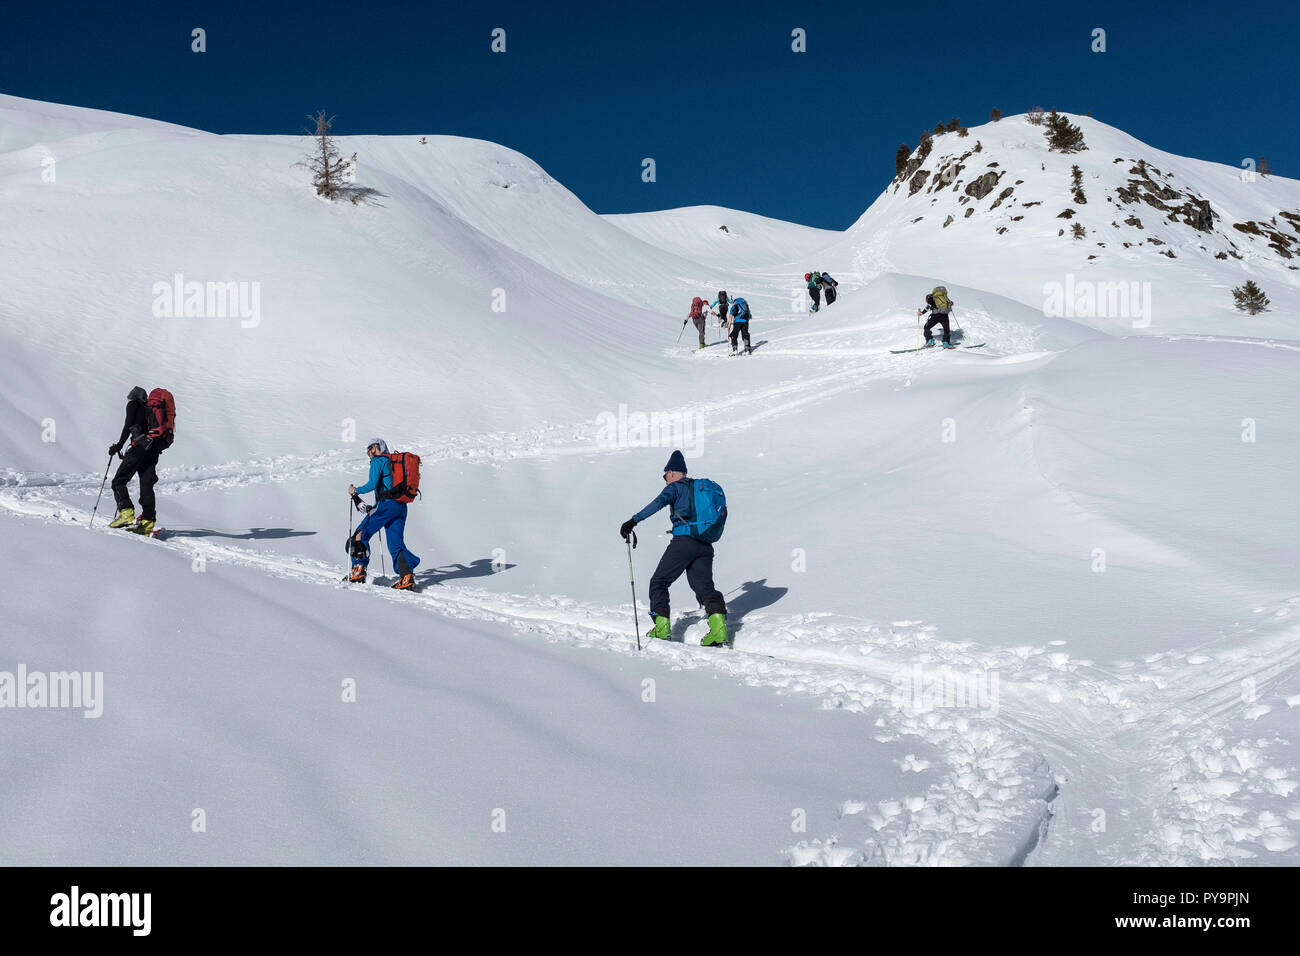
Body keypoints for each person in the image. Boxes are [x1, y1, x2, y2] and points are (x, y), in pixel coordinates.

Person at [619, 450, 728, 647]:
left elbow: (657, 503)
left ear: (671, 472)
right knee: (705, 588)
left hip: (684, 542)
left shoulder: (675, 488)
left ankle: (661, 628)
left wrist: (633, 521)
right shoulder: (699, 488)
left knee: (659, 581)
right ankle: (718, 629)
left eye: (664, 476)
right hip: (705, 544)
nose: (665, 480)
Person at [347, 438, 421, 589]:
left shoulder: (378, 461)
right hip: (400, 506)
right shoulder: (391, 462)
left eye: (369, 448)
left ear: (376, 447)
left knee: (360, 534)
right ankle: (406, 576)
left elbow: (372, 484)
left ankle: (358, 569)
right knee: (395, 543)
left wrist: (356, 490)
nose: (368, 452)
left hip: (386, 505)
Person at [107, 386, 173, 534]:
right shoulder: (150, 410)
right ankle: (148, 522)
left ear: (134, 396)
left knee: (118, 481)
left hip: (139, 448)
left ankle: (126, 512)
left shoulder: (133, 405)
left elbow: (127, 426)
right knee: (146, 484)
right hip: (153, 449)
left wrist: (118, 446)